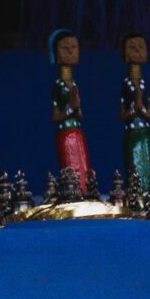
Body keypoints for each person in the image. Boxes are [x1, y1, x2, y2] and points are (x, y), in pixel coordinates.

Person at [49, 29, 91, 189]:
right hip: (66, 134)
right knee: (71, 170)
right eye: (65, 48)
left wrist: (76, 109)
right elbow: (55, 115)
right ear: (56, 53)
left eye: (74, 47)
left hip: (77, 131)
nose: (70, 51)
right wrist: (70, 109)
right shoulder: (59, 85)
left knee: (84, 166)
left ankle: (85, 191)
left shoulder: (73, 84)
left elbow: (78, 112)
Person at [119, 33, 150, 190]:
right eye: (132, 48)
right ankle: (136, 196)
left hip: (145, 133)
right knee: (134, 168)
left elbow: (149, 114)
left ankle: (148, 194)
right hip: (132, 133)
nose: (138, 51)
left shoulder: (144, 84)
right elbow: (122, 114)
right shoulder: (126, 84)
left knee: (148, 165)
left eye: (141, 47)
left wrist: (142, 108)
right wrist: (134, 109)